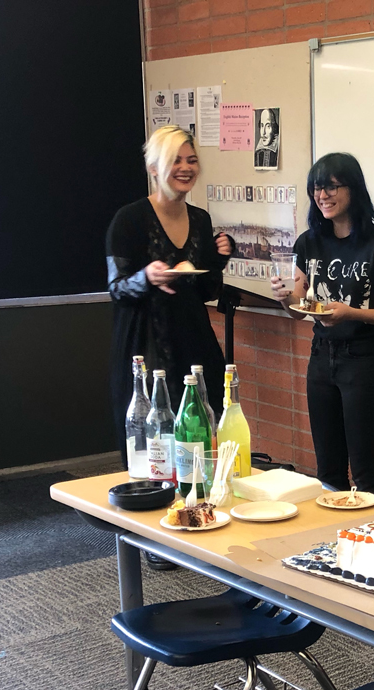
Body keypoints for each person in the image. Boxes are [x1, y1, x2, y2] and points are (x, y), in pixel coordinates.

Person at [270, 153, 374, 507]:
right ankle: (332, 549)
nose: (323, 194)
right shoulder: (308, 244)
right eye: (316, 187)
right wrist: (283, 299)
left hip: (366, 363)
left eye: (332, 186)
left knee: (366, 472)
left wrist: (353, 313)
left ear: (353, 190)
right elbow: (298, 311)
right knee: (328, 473)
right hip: (321, 360)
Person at [107, 124, 232, 517]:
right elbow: (117, 287)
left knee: (200, 428)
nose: (185, 167)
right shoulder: (129, 220)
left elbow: (207, 288)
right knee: (154, 436)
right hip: (145, 341)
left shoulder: (201, 218)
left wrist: (220, 258)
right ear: (154, 167)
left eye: (192, 160)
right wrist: (147, 277)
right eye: (175, 160)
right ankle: (151, 524)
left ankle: (199, 511)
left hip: (193, 338)